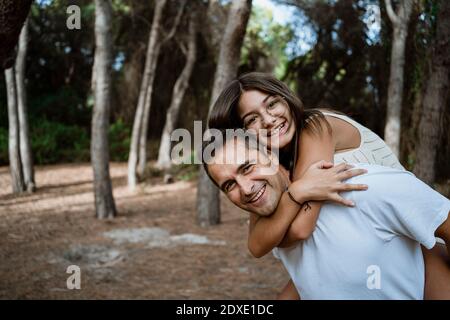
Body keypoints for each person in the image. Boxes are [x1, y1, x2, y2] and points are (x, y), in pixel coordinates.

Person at [207, 72, 449, 298]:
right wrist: (297, 192)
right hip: (360, 245)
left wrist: (293, 196)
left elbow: (301, 229)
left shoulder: (315, 126)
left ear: (286, 98)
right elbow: (257, 244)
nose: (269, 120)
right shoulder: (271, 164)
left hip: (413, 237)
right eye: (252, 119)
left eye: (272, 104)